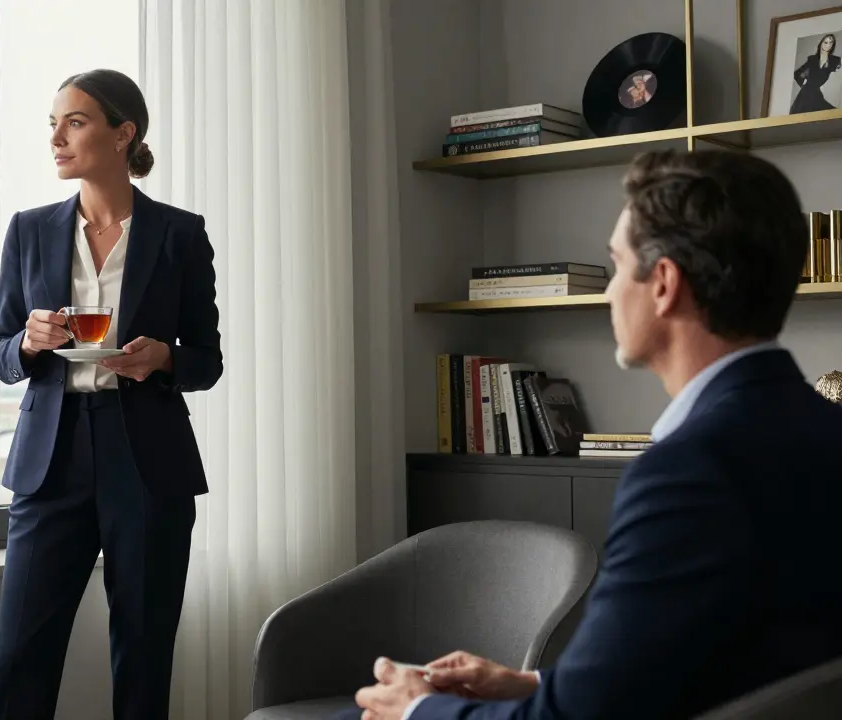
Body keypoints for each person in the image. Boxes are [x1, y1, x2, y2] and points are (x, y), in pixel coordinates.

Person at [348, 149, 842, 719]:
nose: (608, 292)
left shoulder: (687, 475)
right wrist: (533, 684)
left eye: (614, 265)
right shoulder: (824, 434)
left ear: (662, 284)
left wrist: (417, 711)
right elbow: (733, 664)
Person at [0, 68, 222, 719]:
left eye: (76, 122)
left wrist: (164, 358)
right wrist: (30, 343)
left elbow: (207, 360)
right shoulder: (29, 231)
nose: (57, 138)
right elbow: (1, 355)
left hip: (146, 459)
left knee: (143, 656)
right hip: (51, 459)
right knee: (19, 657)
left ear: (124, 134)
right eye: (53, 124)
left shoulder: (179, 234)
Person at [790, 34, 841, 114]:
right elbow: (797, 74)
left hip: (817, 93)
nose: (828, 45)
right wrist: (804, 83)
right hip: (805, 94)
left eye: (831, 43)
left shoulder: (835, 60)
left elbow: (837, 76)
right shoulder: (812, 59)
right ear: (821, 43)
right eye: (826, 42)